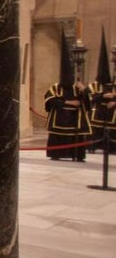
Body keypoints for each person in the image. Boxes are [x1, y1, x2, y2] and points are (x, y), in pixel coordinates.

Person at [44, 34, 91, 162]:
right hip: (59, 118)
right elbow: (50, 101)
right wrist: (68, 102)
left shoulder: (77, 87)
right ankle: (56, 154)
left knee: (75, 136)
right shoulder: (55, 87)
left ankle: (77, 154)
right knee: (58, 136)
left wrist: (84, 91)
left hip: (74, 119)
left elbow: (88, 103)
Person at [88, 28, 115, 152]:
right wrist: (104, 96)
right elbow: (91, 98)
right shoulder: (94, 85)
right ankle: (93, 146)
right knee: (96, 128)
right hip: (98, 113)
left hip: (111, 114)